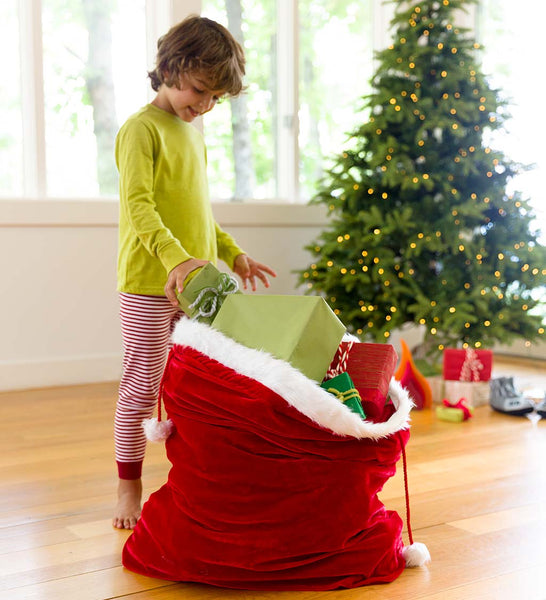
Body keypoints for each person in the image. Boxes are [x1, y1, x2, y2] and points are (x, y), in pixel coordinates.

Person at [113, 15, 276, 529]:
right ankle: (128, 484)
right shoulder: (140, 130)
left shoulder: (191, 134)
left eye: (215, 99)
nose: (205, 105)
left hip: (197, 284)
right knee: (142, 383)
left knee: (201, 383)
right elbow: (140, 207)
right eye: (201, 90)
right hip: (149, 281)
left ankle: (199, 478)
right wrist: (175, 259)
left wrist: (231, 253)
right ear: (170, 67)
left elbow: (198, 211)